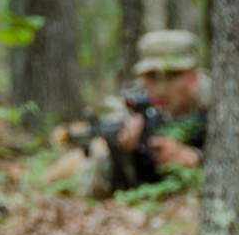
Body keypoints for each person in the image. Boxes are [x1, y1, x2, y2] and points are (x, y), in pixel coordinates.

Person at [72, 29, 209, 199]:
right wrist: (122, 151)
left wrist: (197, 158)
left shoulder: (218, 104)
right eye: (152, 76)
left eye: (172, 75)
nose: (161, 88)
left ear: (194, 75)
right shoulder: (132, 105)